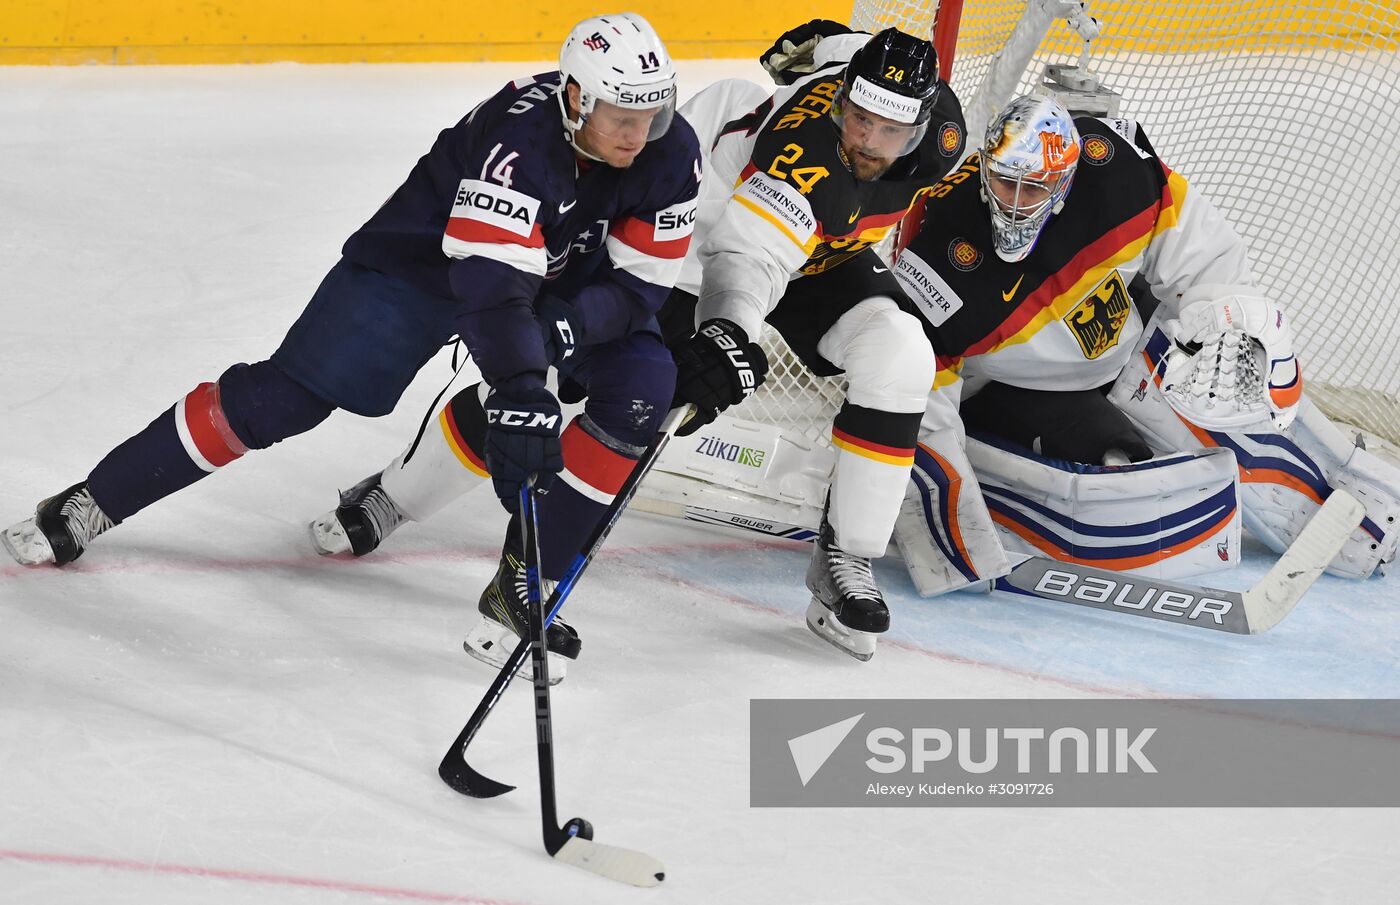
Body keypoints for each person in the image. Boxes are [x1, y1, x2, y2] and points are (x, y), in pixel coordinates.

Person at [2, 12, 703, 681]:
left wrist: (562, 334)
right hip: (421, 267)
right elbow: (491, 290)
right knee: (284, 401)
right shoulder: (519, 143)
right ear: (576, 98)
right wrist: (522, 384)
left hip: (554, 279)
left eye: (653, 115)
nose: (640, 135)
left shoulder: (671, 150)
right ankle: (97, 497)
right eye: (623, 118)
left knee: (643, 378)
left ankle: (527, 579)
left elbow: (640, 283)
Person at [300, 20, 968, 663]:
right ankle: (398, 493)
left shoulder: (939, 129)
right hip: (699, 252)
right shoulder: (802, 155)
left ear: (922, 121)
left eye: (889, 130)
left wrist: (821, 38)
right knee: (565, 388)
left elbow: (838, 47)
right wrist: (727, 334)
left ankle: (846, 554)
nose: (868, 140)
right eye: (858, 120)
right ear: (842, 98)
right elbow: (749, 258)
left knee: (900, 350)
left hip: (824, 256)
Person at [888, 93, 1400, 598]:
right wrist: (944, 526)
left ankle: (1359, 502)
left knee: (1242, 401)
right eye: (1004, 182)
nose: (1016, 203)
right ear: (984, 170)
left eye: (1035, 187)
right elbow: (919, 402)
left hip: (1122, 342)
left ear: (1066, 180)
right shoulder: (936, 256)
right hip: (1015, 388)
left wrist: (1222, 332)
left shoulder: (1116, 171)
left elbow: (1203, 257)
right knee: (1120, 472)